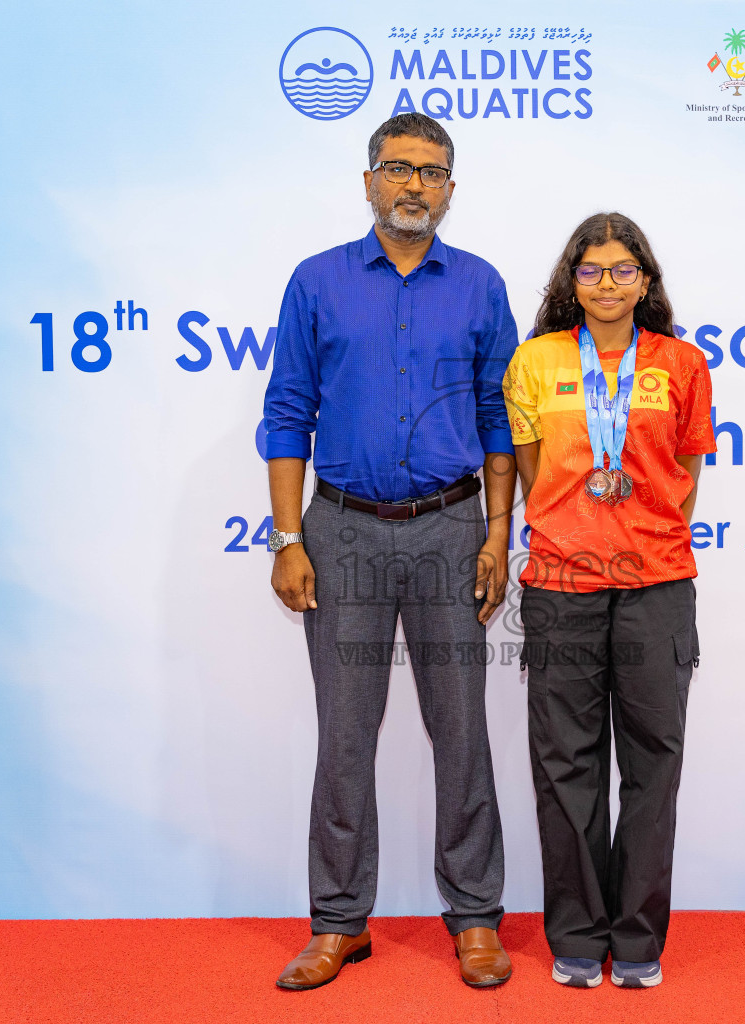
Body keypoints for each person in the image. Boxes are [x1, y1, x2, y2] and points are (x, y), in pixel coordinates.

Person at [262, 113, 518, 991]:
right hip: (341, 532)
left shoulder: (480, 287)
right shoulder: (316, 283)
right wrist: (289, 538)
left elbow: (500, 422)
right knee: (344, 736)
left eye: (433, 173)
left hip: (452, 531)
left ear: (452, 189)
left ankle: (476, 916)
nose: (415, 186)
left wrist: (497, 531)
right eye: (399, 169)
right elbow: (287, 411)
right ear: (367, 179)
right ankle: (339, 922)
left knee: (462, 730)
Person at [502, 213, 715, 989]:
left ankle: (636, 940)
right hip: (562, 585)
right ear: (570, 281)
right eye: (590, 271)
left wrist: (640, 538)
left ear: (647, 281)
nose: (607, 284)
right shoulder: (535, 362)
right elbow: (532, 477)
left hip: (658, 585)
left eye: (624, 270)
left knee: (653, 764)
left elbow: (685, 478)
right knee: (567, 764)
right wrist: (582, 531)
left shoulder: (683, 365)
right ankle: (579, 936)